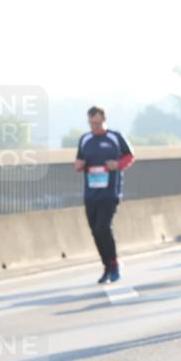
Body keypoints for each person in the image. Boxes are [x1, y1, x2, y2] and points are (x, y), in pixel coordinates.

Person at [74, 106, 136, 283]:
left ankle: (114, 264)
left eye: (97, 123)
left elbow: (130, 156)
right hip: (91, 193)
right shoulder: (85, 139)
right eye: (91, 123)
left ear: (104, 120)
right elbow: (78, 161)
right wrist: (79, 165)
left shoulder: (115, 137)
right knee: (95, 231)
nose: (94, 127)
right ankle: (106, 266)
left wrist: (117, 165)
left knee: (103, 227)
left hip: (110, 192)